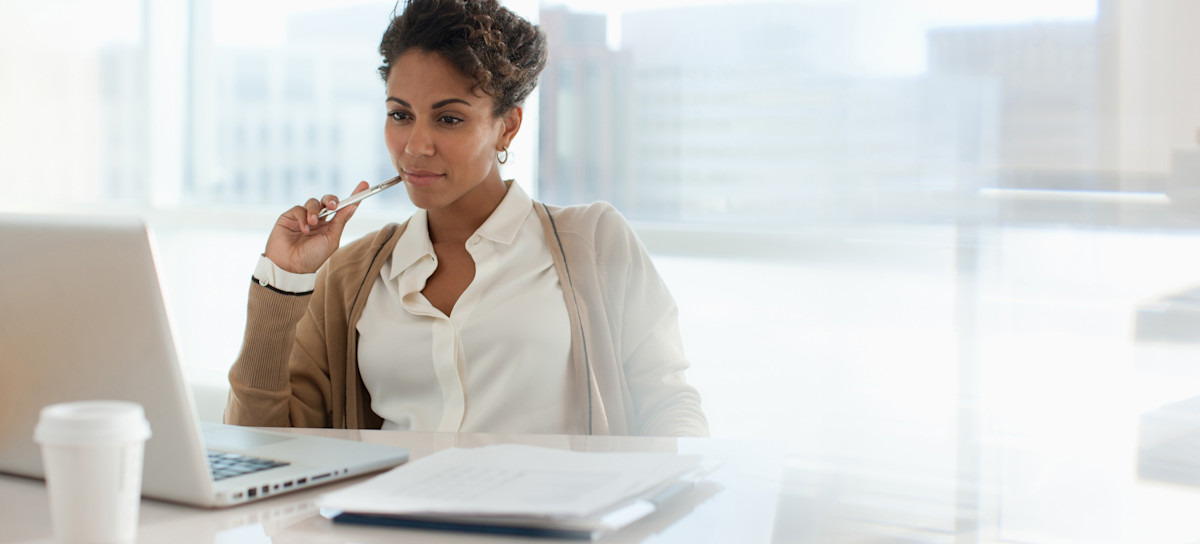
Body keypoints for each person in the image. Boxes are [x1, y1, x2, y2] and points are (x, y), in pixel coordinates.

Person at [224, 0, 708, 437]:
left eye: (448, 118)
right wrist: (284, 280)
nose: (415, 146)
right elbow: (260, 445)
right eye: (400, 115)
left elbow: (668, 404)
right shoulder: (351, 277)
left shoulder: (595, 242)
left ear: (508, 126)